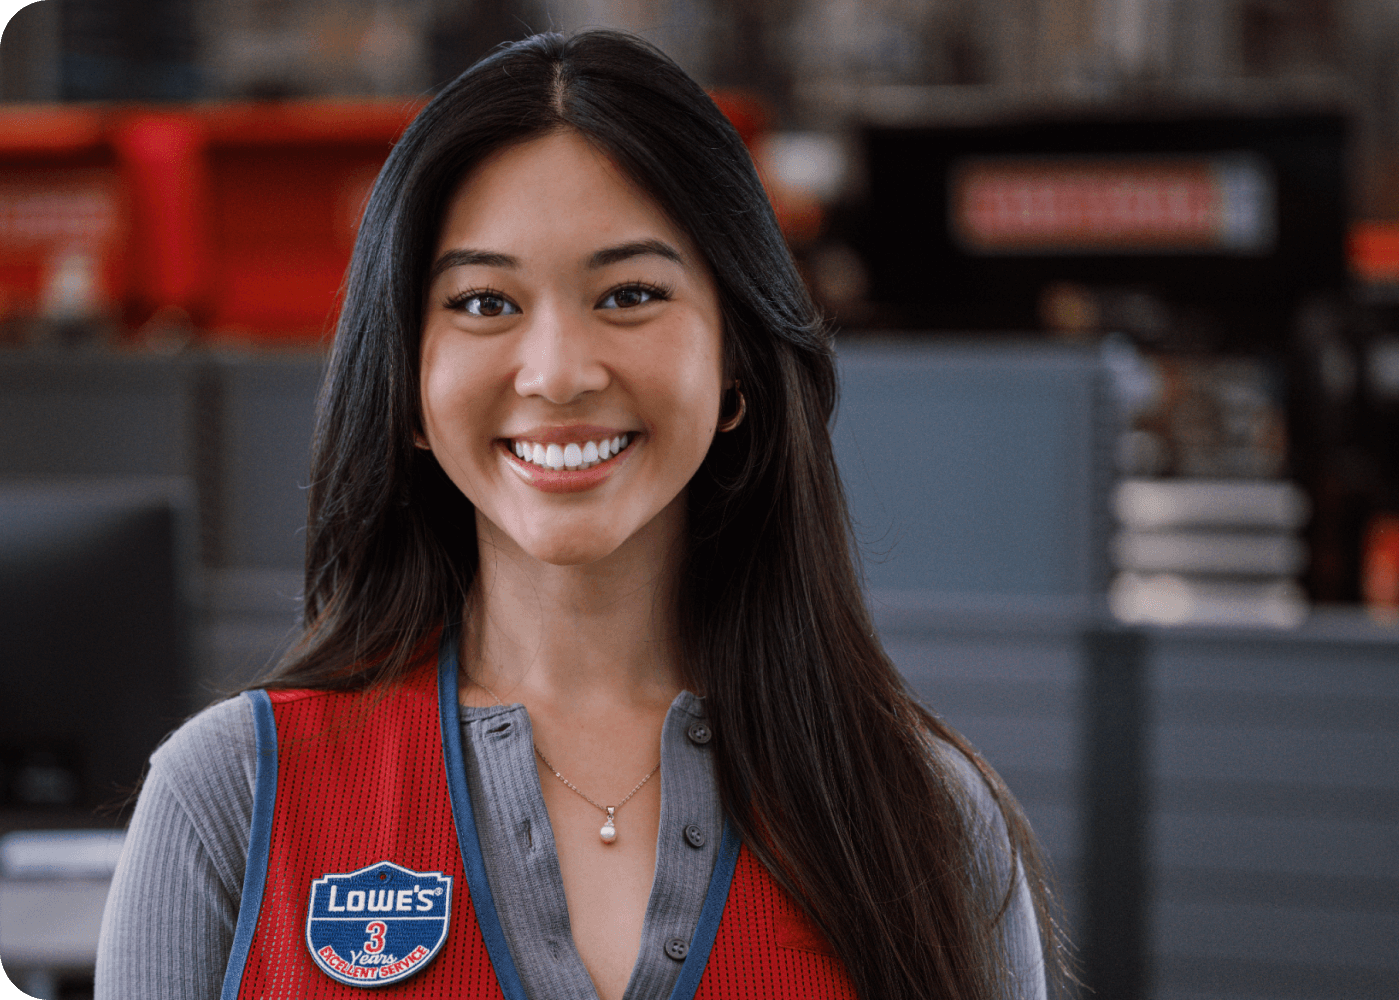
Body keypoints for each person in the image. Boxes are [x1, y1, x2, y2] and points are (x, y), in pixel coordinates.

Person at [97, 30, 1058, 1000]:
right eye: (483, 302)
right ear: (407, 381)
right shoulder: (232, 796)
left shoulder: (926, 818)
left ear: (737, 367)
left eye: (630, 293)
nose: (556, 371)